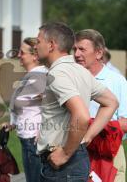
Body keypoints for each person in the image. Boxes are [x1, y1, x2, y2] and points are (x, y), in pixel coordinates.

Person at [35, 22, 118, 182]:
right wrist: (87, 137)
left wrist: (65, 153)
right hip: (73, 161)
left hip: (63, 166)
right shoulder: (80, 70)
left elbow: (81, 114)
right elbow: (111, 102)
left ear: (51, 45)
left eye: (38, 42)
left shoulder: (58, 73)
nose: (35, 46)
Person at [74, 29, 127, 182]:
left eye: (82, 49)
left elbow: (125, 122)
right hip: (74, 153)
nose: (76, 54)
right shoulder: (70, 80)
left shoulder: (117, 81)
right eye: (75, 49)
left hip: (108, 155)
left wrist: (91, 129)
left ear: (98, 53)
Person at [2, 37, 47, 182]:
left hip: (33, 141)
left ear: (35, 56)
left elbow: (54, 104)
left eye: (22, 52)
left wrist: (44, 129)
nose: (19, 55)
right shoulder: (30, 76)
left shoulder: (38, 76)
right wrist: (12, 124)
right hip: (26, 139)